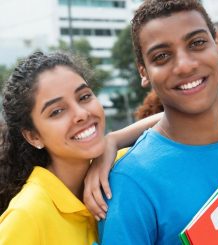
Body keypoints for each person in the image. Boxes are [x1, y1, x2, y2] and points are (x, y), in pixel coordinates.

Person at [98, 0, 218, 244]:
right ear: (143, 72)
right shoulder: (130, 183)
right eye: (162, 56)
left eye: (197, 43)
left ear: (217, 45)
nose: (185, 65)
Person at [0, 51, 161, 245]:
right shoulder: (27, 215)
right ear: (34, 136)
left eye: (84, 97)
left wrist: (115, 139)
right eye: (57, 111)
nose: (81, 114)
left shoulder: (119, 166)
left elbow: (185, 118)